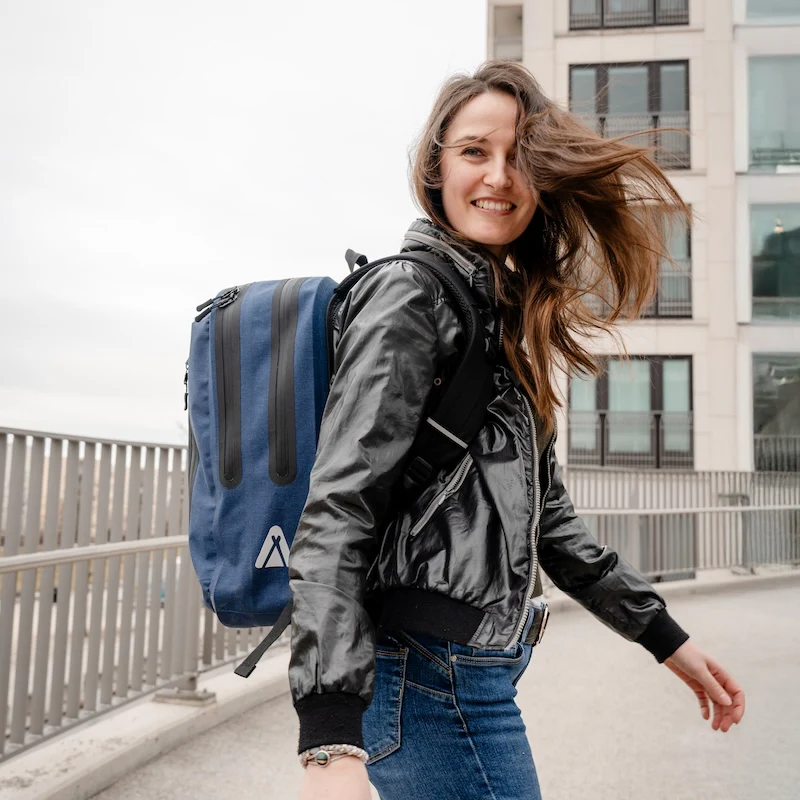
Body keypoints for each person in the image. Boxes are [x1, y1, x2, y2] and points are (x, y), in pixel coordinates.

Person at [288, 61, 746, 800]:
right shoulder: (410, 296)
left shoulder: (498, 316)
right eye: (474, 151)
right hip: (427, 675)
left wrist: (665, 640)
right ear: (435, 168)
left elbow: (550, 522)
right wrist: (328, 736)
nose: (498, 176)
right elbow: (340, 504)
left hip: (470, 670)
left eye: (520, 158)